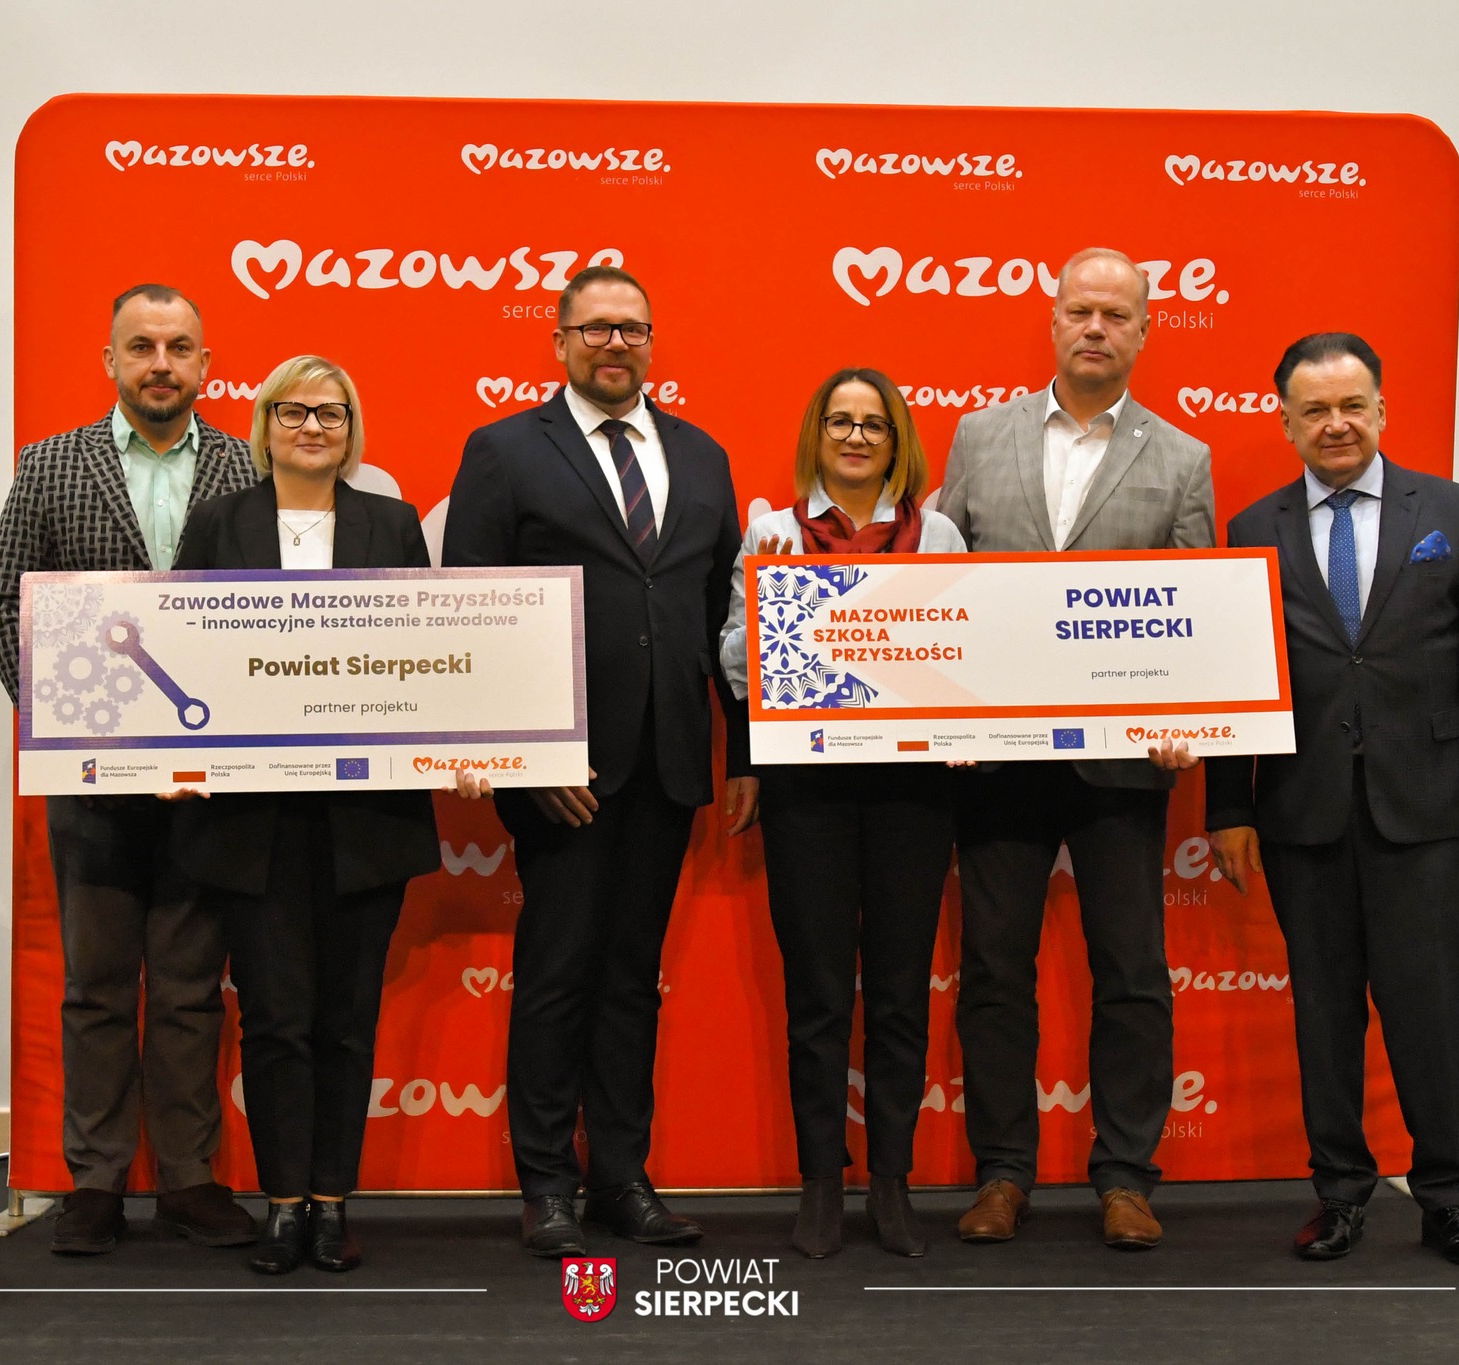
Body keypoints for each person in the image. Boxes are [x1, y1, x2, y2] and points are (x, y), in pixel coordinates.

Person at [444, 265, 755, 1257]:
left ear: (652, 342)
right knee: (556, 974)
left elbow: (727, 620)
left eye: (632, 328)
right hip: (561, 776)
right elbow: (473, 615)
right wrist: (524, 757)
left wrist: (742, 755)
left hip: (668, 763)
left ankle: (622, 1175)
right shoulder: (502, 451)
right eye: (595, 328)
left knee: (630, 980)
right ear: (559, 341)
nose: (614, 344)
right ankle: (547, 1184)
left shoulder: (701, 455)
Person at [1201, 333, 1459, 1268]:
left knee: (1427, 1009)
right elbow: (1234, 681)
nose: (1336, 424)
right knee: (1324, 1012)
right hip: (1301, 812)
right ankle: (1340, 1193)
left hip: (1425, 808)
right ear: (1286, 423)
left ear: (1382, 410)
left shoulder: (1451, 512)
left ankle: (1447, 1197)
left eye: (1353, 406)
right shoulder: (1253, 528)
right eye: (1315, 410)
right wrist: (1229, 808)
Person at [936, 247, 1214, 1250]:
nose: (1095, 328)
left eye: (1115, 314)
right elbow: (939, 584)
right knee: (993, 970)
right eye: (1079, 311)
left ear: (1144, 330)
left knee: (1131, 969)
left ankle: (1126, 1176)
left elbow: (1195, 610)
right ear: (1051, 322)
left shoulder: (1182, 458)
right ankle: (1001, 1172)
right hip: (996, 758)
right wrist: (947, 717)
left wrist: (1187, 717)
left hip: (1121, 763)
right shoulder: (978, 436)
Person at [0, 283, 259, 1256]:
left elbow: (275, 616)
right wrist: (63, 726)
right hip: (92, 782)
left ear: (206, 364)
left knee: (189, 988)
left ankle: (187, 1178)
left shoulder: (247, 465)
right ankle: (93, 1181)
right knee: (96, 986)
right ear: (110, 360)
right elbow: (1, 606)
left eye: (179, 347)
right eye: (141, 346)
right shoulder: (51, 464)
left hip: (211, 783)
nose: (160, 364)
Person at [166, 355, 445, 1274]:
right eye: (294, 411)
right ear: (264, 424)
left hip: (365, 819)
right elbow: (180, 648)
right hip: (254, 823)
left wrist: (472, 746)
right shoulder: (220, 522)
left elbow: (429, 655)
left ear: (352, 429)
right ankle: (283, 1201)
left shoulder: (392, 524)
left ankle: (332, 1201)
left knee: (347, 1020)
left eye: (332, 412)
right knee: (276, 1018)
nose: (313, 426)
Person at [717, 369, 966, 1258]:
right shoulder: (774, 533)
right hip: (808, 789)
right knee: (818, 993)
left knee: (899, 992)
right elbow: (734, 662)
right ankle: (821, 1177)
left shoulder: (938, 534)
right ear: (816, 436)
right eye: (841, 422)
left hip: (912, 792)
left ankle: (892, 1180)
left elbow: (963, 649)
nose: (856, 437)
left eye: (874, 424)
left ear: (897, 442)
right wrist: (782, 621)